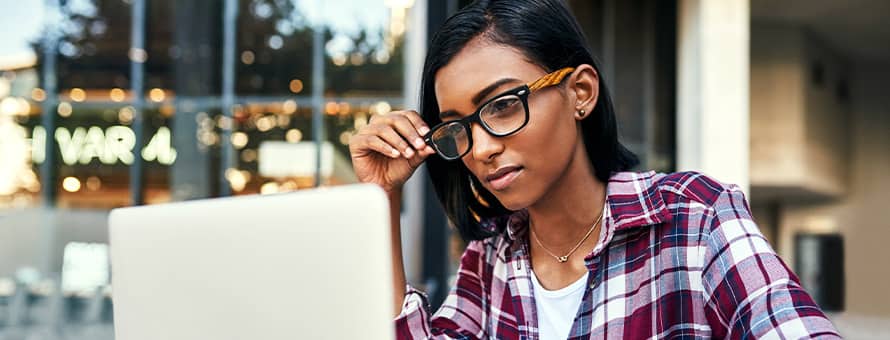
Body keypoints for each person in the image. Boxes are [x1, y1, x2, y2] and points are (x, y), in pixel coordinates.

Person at [348, 0, 841, 338]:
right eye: (456, 128)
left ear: (580, 92)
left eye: (500, 106)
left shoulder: (694, 219)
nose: (480, 149)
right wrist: (382, 198)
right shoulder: (491, 259)